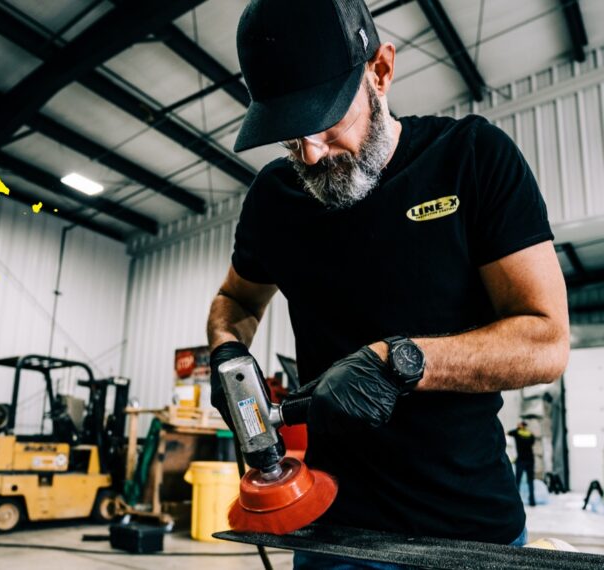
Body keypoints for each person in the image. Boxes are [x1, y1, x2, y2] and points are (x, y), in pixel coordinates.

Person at [206, 1, 569, 568]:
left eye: (325, 120)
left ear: (380, 70)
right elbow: (235, 300)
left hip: (469, 535)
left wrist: (399, 361)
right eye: (288, 136)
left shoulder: (472, 159)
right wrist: (228, 355)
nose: (310, 153)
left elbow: (547, 342)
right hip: (331, 536)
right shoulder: (275, 202)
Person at [508, 421, 537, 506]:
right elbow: (532, 442)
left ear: (520, 426)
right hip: (530, 460)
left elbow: (509, 433)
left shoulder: (517, 432)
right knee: (530, 481)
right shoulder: (530, 434)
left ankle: (516, 501)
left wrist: (518, 428)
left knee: (518, 481)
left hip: (521, 460)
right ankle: (532, 501)